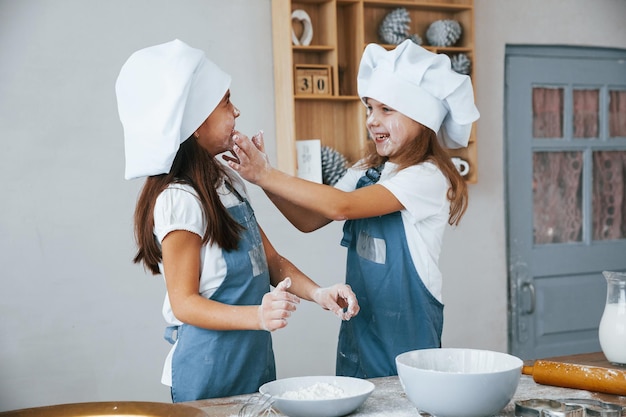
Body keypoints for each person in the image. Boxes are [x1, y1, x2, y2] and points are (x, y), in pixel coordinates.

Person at [114, 39, 359, 402]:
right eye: (226, 101)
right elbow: (184, 303)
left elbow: (271, 261)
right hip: (208, 371)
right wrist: (258, 317)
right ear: (195, 124)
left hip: (253, 362)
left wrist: (318, 294)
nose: (237, 111)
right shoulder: (179, 201)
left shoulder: (227, 180)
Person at [229, 39, 480, 379]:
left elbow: (340, 207)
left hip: (407, 335)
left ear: (422, 118)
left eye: (387, 109)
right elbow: (308, 219)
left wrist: (267, 173)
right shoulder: (368, 169)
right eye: (369, 108)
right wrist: (262, 179)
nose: (372, 120)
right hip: (358, 333)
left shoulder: (426, 178)